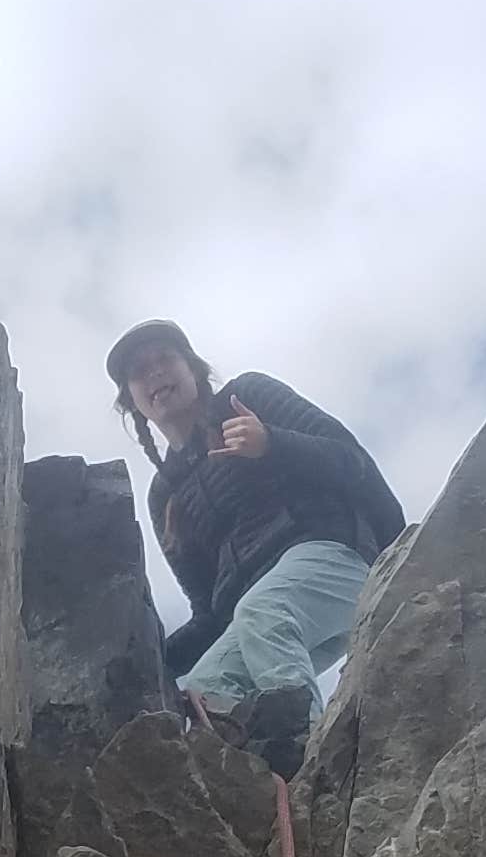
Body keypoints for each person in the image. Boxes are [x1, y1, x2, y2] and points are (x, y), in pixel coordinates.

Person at [105, 318, 406, 776]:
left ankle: (319, 764)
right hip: (260, 612)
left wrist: (272, 443)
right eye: (139, 372)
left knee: (264, 614)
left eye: (165, 358)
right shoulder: (165, 495)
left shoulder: (248, 399)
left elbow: (352, 460)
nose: (155, 374)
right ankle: (261, 801)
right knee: (205, 690)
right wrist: (150, 661)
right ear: (133, 403)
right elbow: (209, 612)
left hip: (334, 556)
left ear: (193, 369)